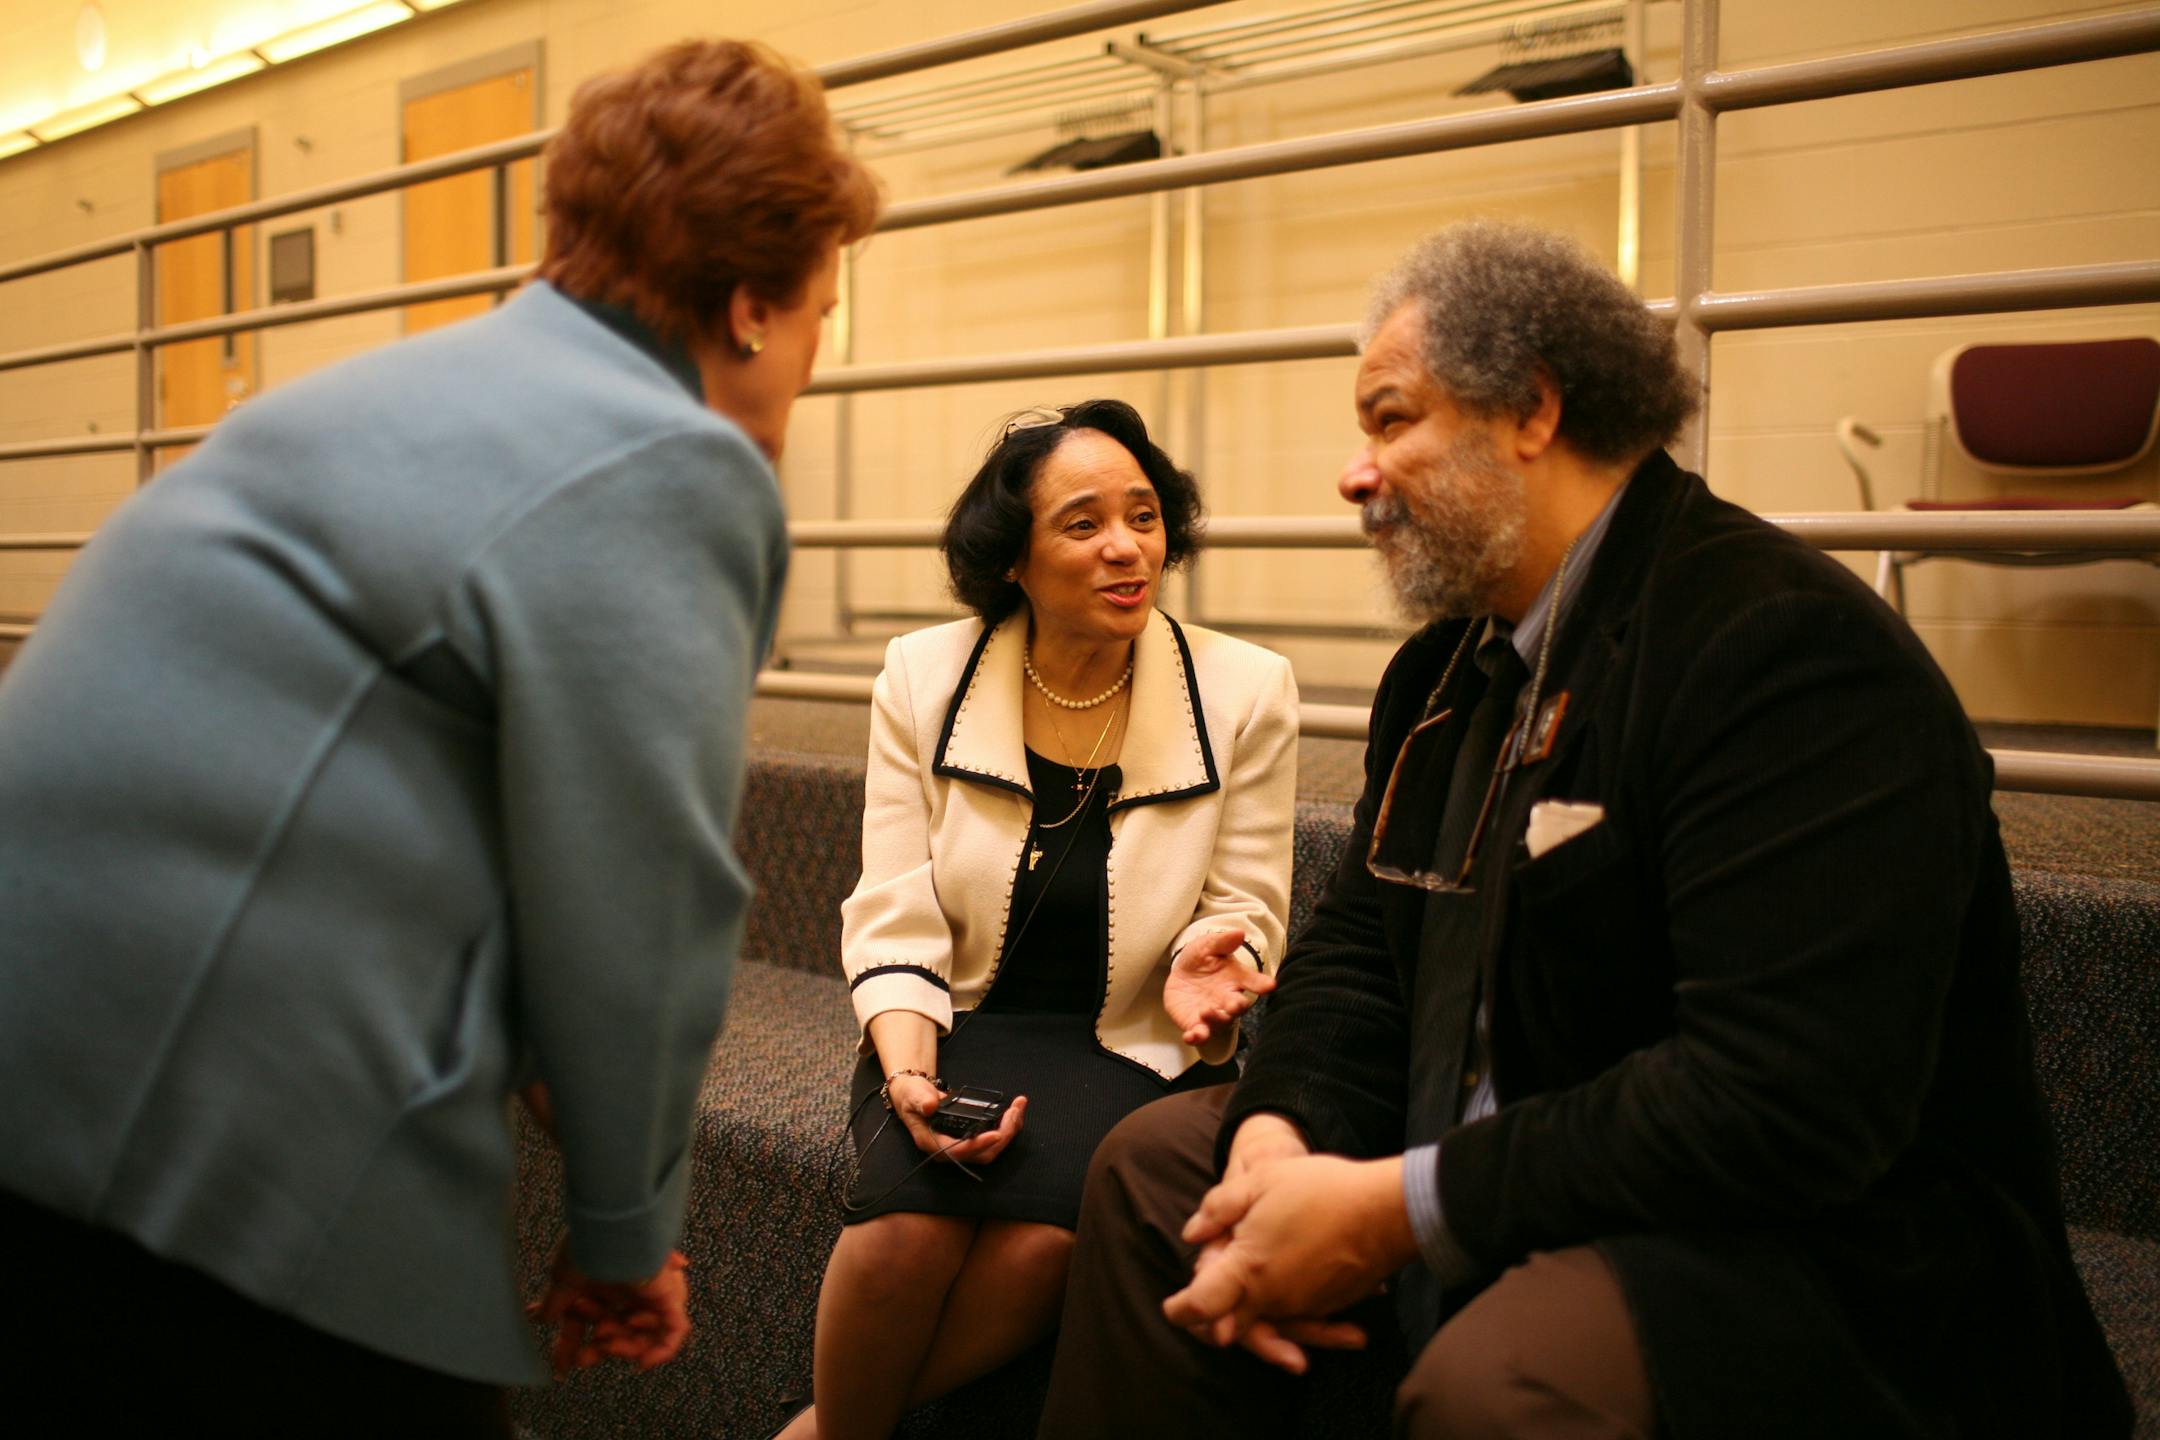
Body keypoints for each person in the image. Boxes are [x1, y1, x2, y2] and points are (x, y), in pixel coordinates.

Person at [1036, 221, 2133, 1439]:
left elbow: (1781, 1101)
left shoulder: (1780, 651)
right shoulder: (1440, 674)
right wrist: (1278, 1139)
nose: (1357, 474)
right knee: (1158, 1177)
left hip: (1799, 1238)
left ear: (1533, 411)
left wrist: (1393, 1207)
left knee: (1507, 1380)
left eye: (1391, 421)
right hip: (1495, 1140)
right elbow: (1358, 957)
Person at [0, 38, 877, 1434]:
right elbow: (640, 898)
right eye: (832, 309)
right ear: (760, 306)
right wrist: (623, 1228)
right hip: (216, 1127)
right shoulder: (670, 454)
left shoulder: (384, 395)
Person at [777, 399, 1297, 1440]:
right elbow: (894, 907)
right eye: (1084, 523)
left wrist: (1213, 954)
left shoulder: (1245, 690)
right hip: (957, 1016)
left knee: (1046, 1243)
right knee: (903, 1236)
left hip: (1135, 1038)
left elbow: (1247, 902)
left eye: (1145, 517)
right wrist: (910, 1071)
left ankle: (824, 1432)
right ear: (1012, 557)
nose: (1126, 548)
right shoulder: (924, 678)